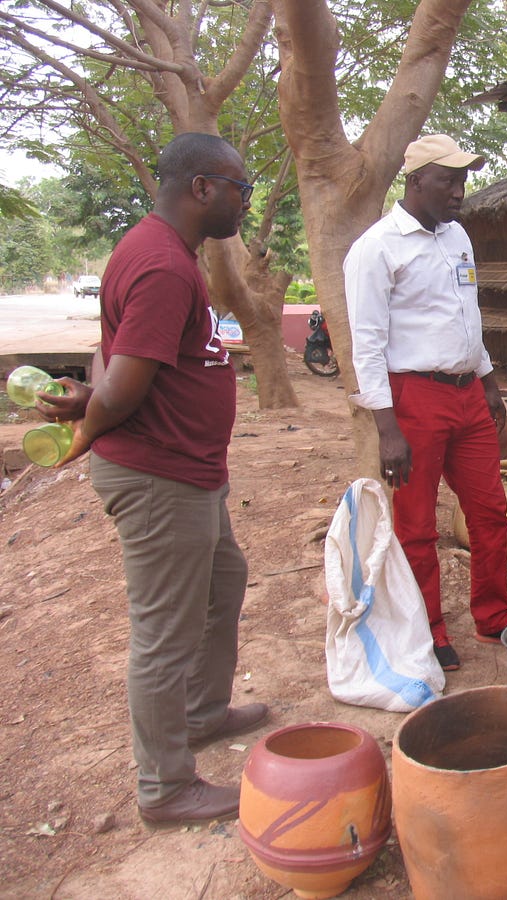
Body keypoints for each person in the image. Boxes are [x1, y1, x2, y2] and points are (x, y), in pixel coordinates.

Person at [35, 133, 269, 825]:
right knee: (164, 631)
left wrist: (90, 401)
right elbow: (125, 385)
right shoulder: (164, 265)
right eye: (239, 188)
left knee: (223, 582)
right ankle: (166, 786)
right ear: (201, 187)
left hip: (189, 470)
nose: (245, 201)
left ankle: (201, 714)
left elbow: (113, 352)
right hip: (160, 477)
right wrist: (91, 425)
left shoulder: (160, 254)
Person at [344, 134, 507, 673]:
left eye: (463, 180)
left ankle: (494, 616)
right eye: (448, 180)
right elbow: (366, 344)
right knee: (417, 526)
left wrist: (489, 384)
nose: (460, 192)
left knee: (490, 512)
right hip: (413, 400)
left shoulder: (458, 236)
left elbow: (467, 321)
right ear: (415, 180)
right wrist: (387, 429)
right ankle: (429, 629)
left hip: (468, 395)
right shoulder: (377, 249)